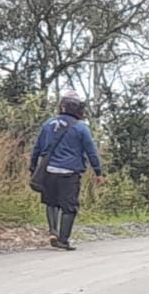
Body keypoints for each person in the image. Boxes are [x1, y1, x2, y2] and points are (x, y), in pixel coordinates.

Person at [29, 90, 105, 251]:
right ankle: (63, 240)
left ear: (62, 106)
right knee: (69, 207)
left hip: (49, 171)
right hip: (69, 173)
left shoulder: (48, 124)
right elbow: (91, 152)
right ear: (78, 109)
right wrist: (98, 172)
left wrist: (33, 167)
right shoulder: (81, 128)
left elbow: (37, 148)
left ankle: (53, 231)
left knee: (51, 202)